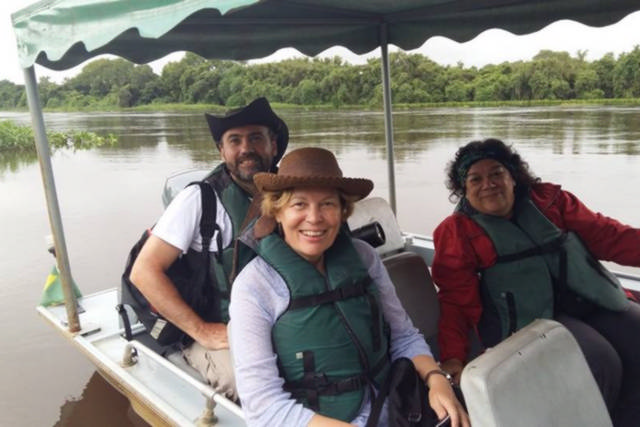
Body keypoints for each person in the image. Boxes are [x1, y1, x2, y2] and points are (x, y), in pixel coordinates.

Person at [229, 147, 470, 427]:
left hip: (394, 404)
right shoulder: (255, 285)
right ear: (278, 211)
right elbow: (265, 409)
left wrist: (436, 379)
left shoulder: (364, 257)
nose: (315, 217)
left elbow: (403, 336)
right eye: (299, 204)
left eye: (328, 204)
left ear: (343, 211)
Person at [432, 138, 640, 426]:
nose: (488, 184)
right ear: (463, 190)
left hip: (589, 299)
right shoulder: (458, 232)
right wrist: (452, 357)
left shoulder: (550, 203)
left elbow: (609, 236)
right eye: (475, 179)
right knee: (599, 361)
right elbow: (454, 299)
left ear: (513, 177)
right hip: (531, 321)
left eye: (496, 173)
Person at [129, 97, 288, 400]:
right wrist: (202, 331)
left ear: (274, 145)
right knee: (252, 387)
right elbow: (144, 272)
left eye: (256, 137)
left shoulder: (290, 190)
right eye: (235, 140)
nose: (246, 149)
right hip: (218, 327)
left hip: (279, 320)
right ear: (222, 150)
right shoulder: (199, 200)